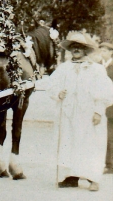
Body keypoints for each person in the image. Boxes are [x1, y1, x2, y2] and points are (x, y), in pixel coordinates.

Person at [46, 32, 113, 191]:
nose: (76, 49)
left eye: (79, 47)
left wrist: (98, 111)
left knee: (91, 144)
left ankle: (93, 178)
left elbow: (105, 91)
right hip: (69, 113)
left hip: (88, 114)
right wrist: (58, 93)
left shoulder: (96, 69)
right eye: (73, 47)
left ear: (85, 50)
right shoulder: (64, 68)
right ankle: (71, 177)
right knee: (70, 143)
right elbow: (51, 85)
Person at [99, 42, 113, 174]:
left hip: (111, 106)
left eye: (105, 51)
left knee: (110, 136)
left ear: (110, 52)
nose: (102, 53)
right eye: (101, 51)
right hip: (101, 105)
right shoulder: (99, 66)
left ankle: (110, 165)